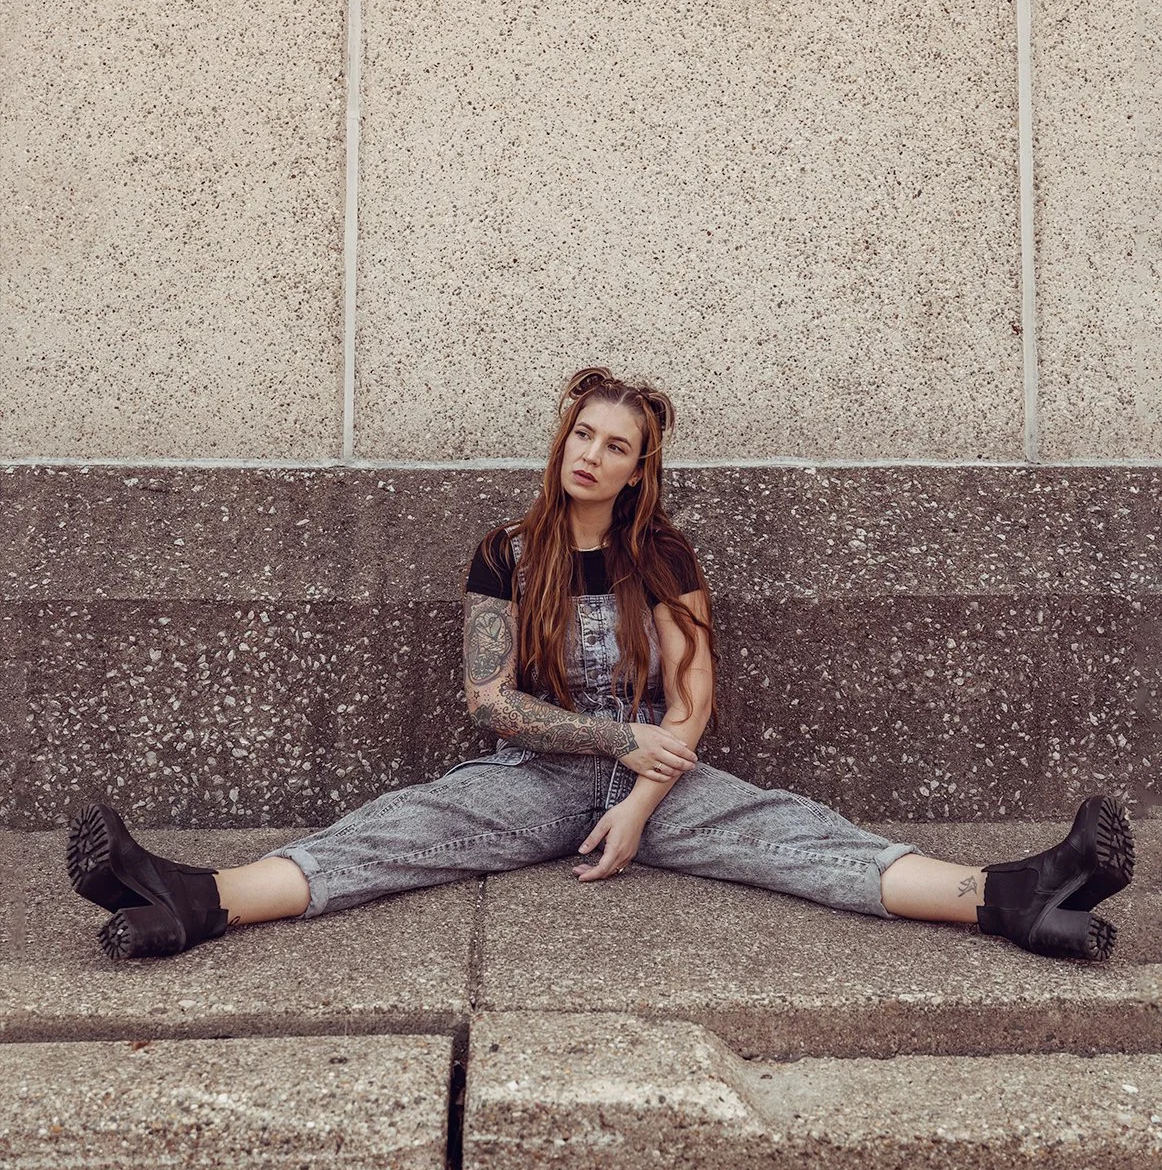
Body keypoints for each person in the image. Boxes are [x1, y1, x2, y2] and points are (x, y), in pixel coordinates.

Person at [67, 366, 1134, 963]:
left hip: (659, 780)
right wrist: (620, 742)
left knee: (796, 840)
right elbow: (490, 703)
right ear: (562, 442)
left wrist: (635, 799)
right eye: (583, 435)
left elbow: (695, 688)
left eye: (615, 447)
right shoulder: (504, 553)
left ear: (636, 471)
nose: (592, 454)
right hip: (528, 779)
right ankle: (191, 900)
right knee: (395, 833)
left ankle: (1011, 896)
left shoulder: (661, 553)